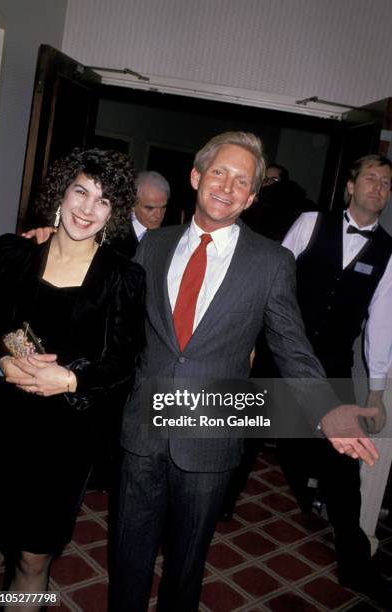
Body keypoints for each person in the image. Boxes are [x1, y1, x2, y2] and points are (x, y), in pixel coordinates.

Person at [111, 132, 379, 612]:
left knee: (186, 567)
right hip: (143, 431)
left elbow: (292, 346)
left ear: (253, 197)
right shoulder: (152, 245)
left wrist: (328, 409)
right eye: (219, 172)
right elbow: (113, 317)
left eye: (242, 181)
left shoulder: (271, 262)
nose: (227, 187)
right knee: (127, 560)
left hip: (211, 432)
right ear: (196, 177)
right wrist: (54, 240)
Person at [0, 148, 145, 610]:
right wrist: (1, 364)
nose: (86, 209)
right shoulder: (9, 253)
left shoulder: (123, 278)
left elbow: (123, 363)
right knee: (3, 537)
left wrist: (71, 380)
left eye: (103, 201)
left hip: (63, 440)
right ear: (61, 191)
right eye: (81, 191)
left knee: (35, 557)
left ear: (113, 215)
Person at [275, 153, 392, 606]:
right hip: (281, 356)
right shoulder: (309, 222)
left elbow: (381, 324)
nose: (377, 187)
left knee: (343, 471)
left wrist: (377, 395)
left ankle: (355, 564)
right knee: (239, 438)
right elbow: (275, 282)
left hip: (332, 367)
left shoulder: (387, 251)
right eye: (370, 178)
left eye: (386, 182)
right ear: (349, 185)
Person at [242, 163, 315, 241]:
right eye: (265, 179)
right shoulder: (251, 201)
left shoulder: (288, 204)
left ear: (283, 182)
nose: (268, 182)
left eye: (274, 179)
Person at [120, 170, 170, 257]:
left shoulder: (170, 237)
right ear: (132, 204)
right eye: (150, 208)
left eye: (163, 207)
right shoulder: (113, 235)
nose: (158, 215)